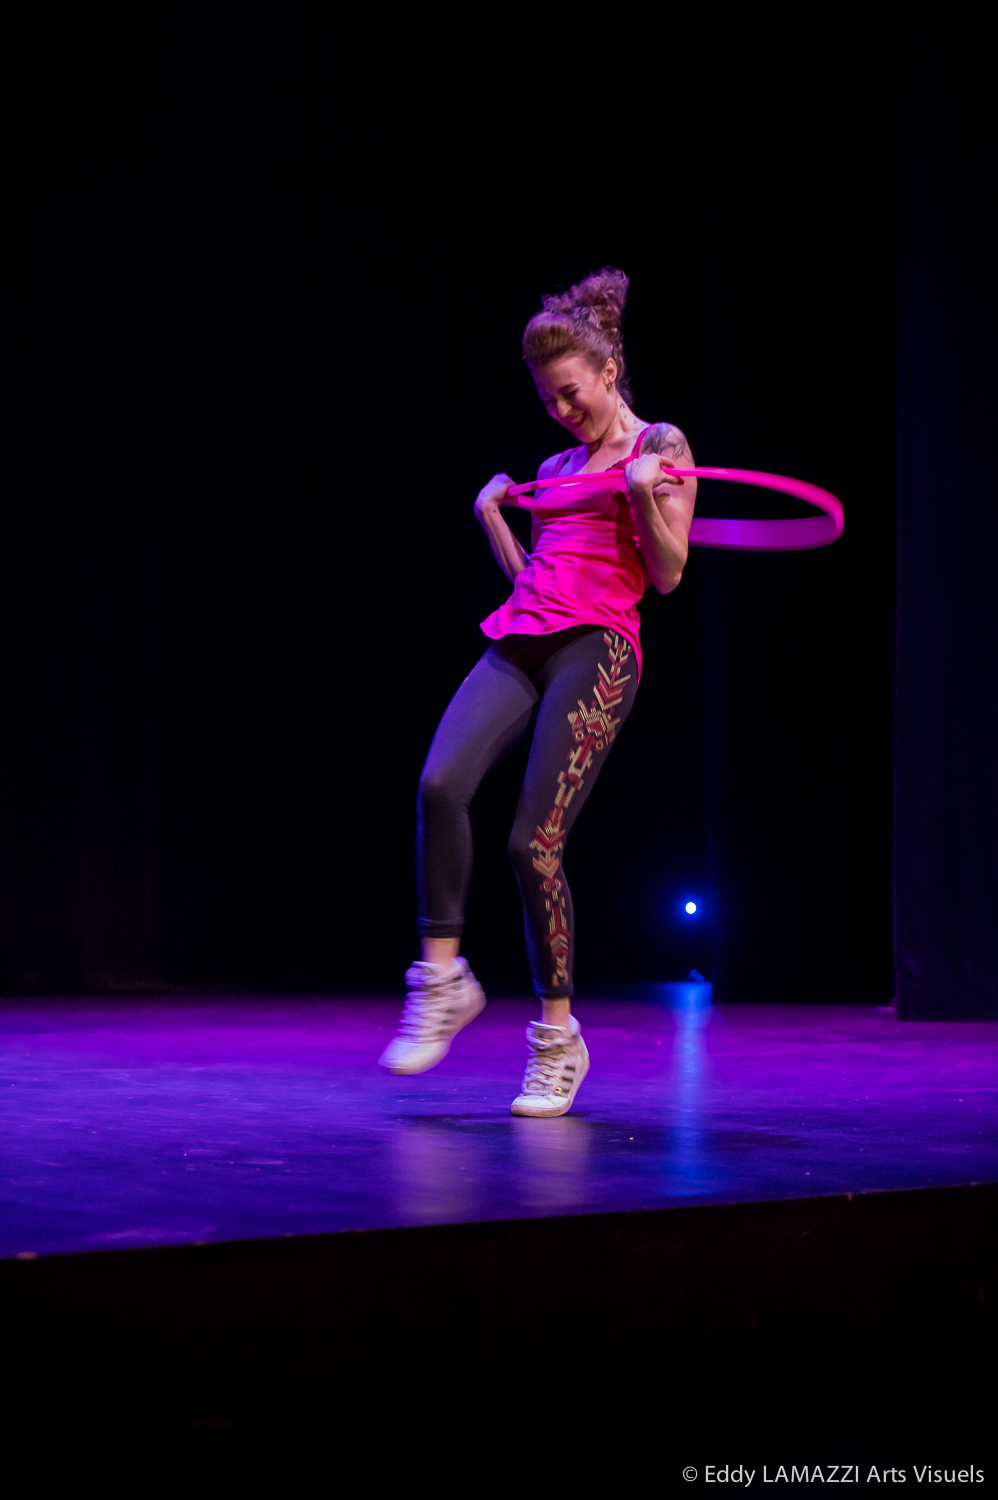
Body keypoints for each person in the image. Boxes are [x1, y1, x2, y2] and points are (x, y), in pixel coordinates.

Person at [379, 268, 696, 1116]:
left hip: (600, 648)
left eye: (569, 393)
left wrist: (643, 494)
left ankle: (558, 1040)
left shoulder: (660, 443)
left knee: (533, 845)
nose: (559, 411)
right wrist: (493, 518)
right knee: (439, 784)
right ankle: (443, 981)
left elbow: (669, 573)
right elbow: (535, 580)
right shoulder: (555, 467)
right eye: (547, 399)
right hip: (525, 635)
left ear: (607, 371)